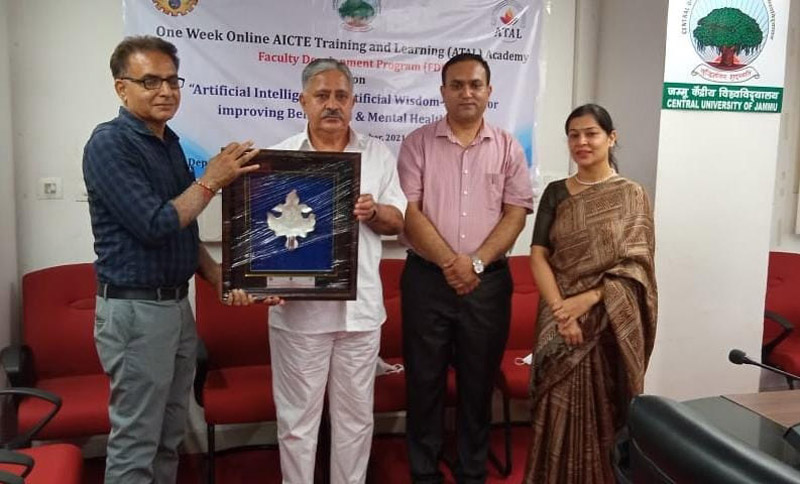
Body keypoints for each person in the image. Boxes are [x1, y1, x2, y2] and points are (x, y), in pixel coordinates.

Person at [82, 36, 277, 483]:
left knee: (169, 434)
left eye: (172, 80)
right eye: (150, 81)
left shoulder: (168, 142)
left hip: (175, 306)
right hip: (135, 311)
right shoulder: (109, 145)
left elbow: (183, 231)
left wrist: (220, 277)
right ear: (121, 88)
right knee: (136, 442)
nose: (166, 91)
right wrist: (211, 180)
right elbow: (155, 223)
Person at [268, 58, 406, 484]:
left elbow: (397, 220)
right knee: (297, 424)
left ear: (353, 102)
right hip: (300, 314)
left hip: (360, 313)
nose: (332, 104)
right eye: (322, 95)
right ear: (303, 101)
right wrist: (265, 279)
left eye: (341, 96)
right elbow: (266, 236)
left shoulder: (376, 154)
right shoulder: (280, 157)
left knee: (355, 420)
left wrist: (375, 211)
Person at [397, 53, 534, 483]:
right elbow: (410, 212)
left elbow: (516, 214)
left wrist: (474, 263)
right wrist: (449, 263)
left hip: (487, 284)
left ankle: (471, 470)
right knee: (425, 381)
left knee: (478, 383)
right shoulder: (417, 143)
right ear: (443, 92)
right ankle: (424, 471)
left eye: (475, 85)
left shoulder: (508, 147)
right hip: (426, 281)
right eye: (456, 85)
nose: (466, 93)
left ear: (489, 91)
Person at [524, 104, 657, 483]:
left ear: (611, 138)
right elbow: (538, 255)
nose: (581, 142)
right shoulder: (555, 193)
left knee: (605, 412)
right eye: (574, 135)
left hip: (606, 321)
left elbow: (637, 268)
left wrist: (589, 299)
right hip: (558, 315)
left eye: (591, 133)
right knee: (554, 406)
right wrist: (561, 311)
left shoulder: (632, 196)